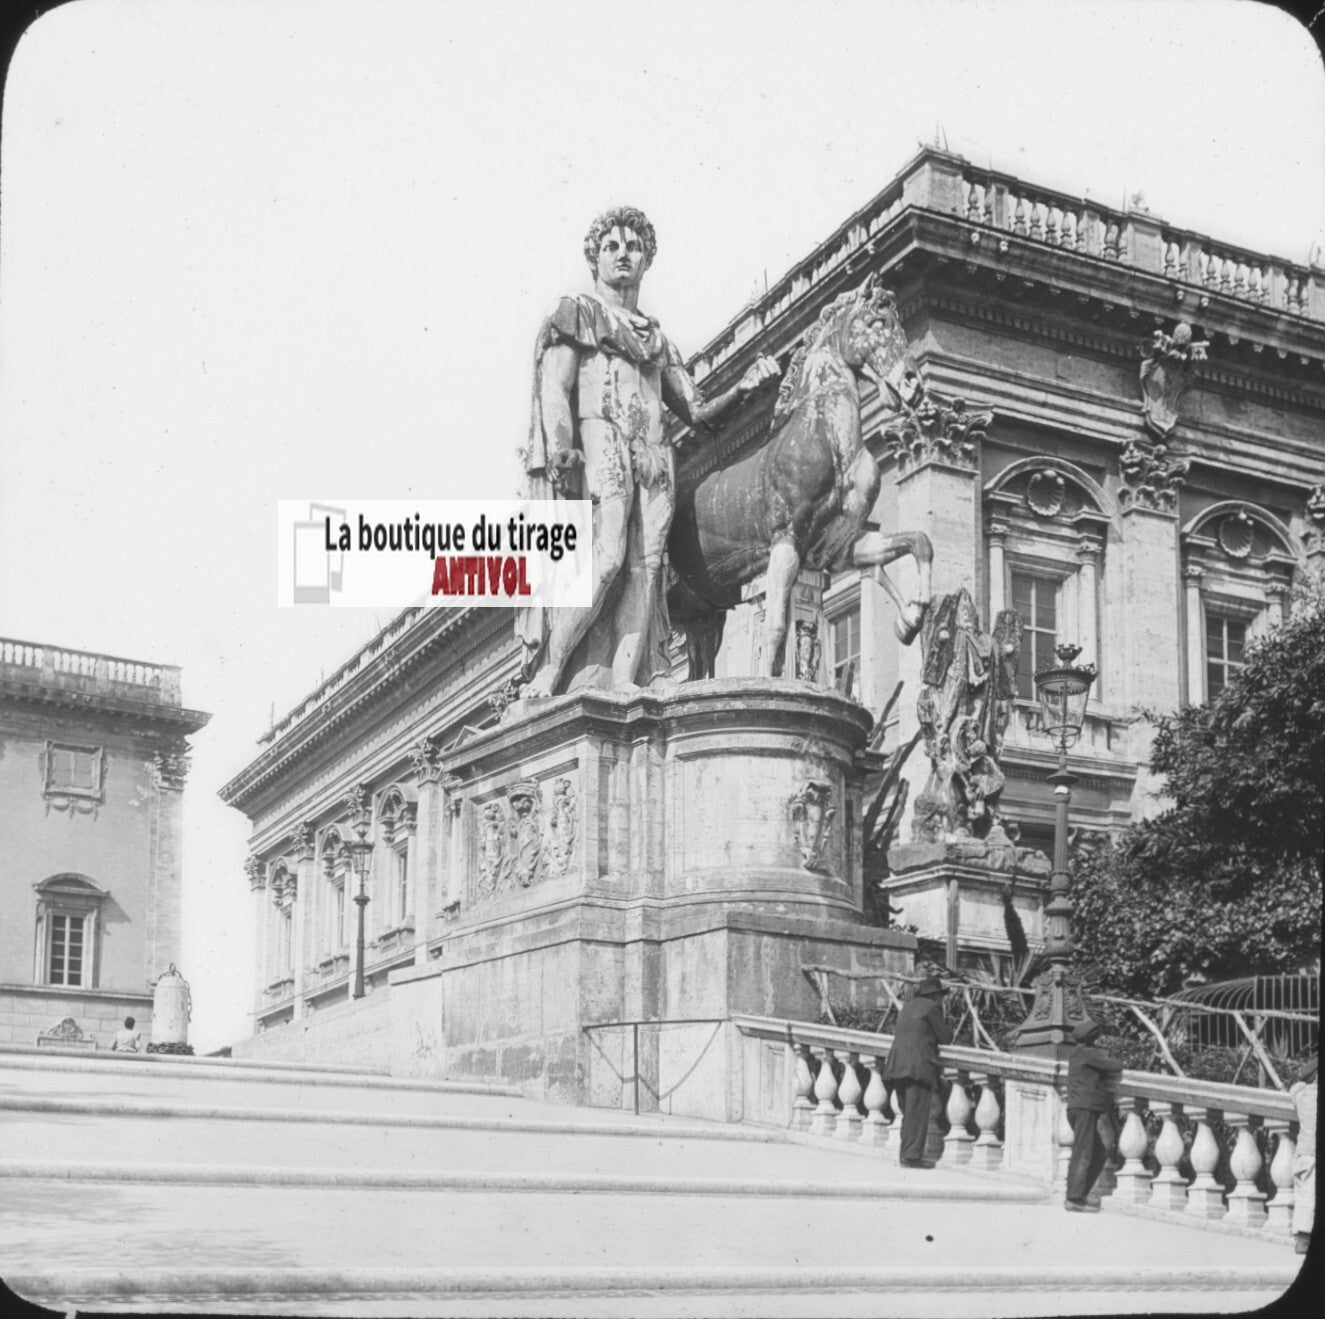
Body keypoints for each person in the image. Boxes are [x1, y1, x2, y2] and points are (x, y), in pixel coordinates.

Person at [517, 205, 780, 698]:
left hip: (655, 456)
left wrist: (743, 388)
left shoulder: (658, 341)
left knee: (647, 568)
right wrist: (561, 446)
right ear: (595, 259)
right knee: (608, 557)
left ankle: (624, 677)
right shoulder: (578, 312)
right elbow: (555, 384)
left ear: (646, 260)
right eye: (611, 246)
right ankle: (551, 670)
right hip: (602, 438)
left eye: (633, 247)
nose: (623, 254)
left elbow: (696, 409)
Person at [883, 975, 951, 1167]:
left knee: (908, 1112)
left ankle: (906, 1155)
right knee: (917, 1112)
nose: (942, 1000)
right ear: (935, 996)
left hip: (897, 1065)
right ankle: (911, 1158)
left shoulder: (908, 1006)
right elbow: (946, 1037)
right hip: (918, 1066)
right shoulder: (931, 1007)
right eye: (941, 996)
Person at [1065, 1018, 1124, 1212]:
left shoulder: (1076, 1054)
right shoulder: (1089, 1054)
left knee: (1100, 1149)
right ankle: (1074, 1199)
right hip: (1085, 1109)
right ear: (1092, 1039)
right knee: (1083, 1152)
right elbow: (1116, 1065)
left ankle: (1080, 1193)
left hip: (1079, 1108)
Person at [1289, 1056, 1316, 1255]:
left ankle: (1302, 1237)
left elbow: (1295, 1087)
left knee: (1303, 1194)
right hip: (1314, 1153)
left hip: (1302, 1153)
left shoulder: (1300, 1094)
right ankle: (1304, 1239)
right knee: (1310, 1195)